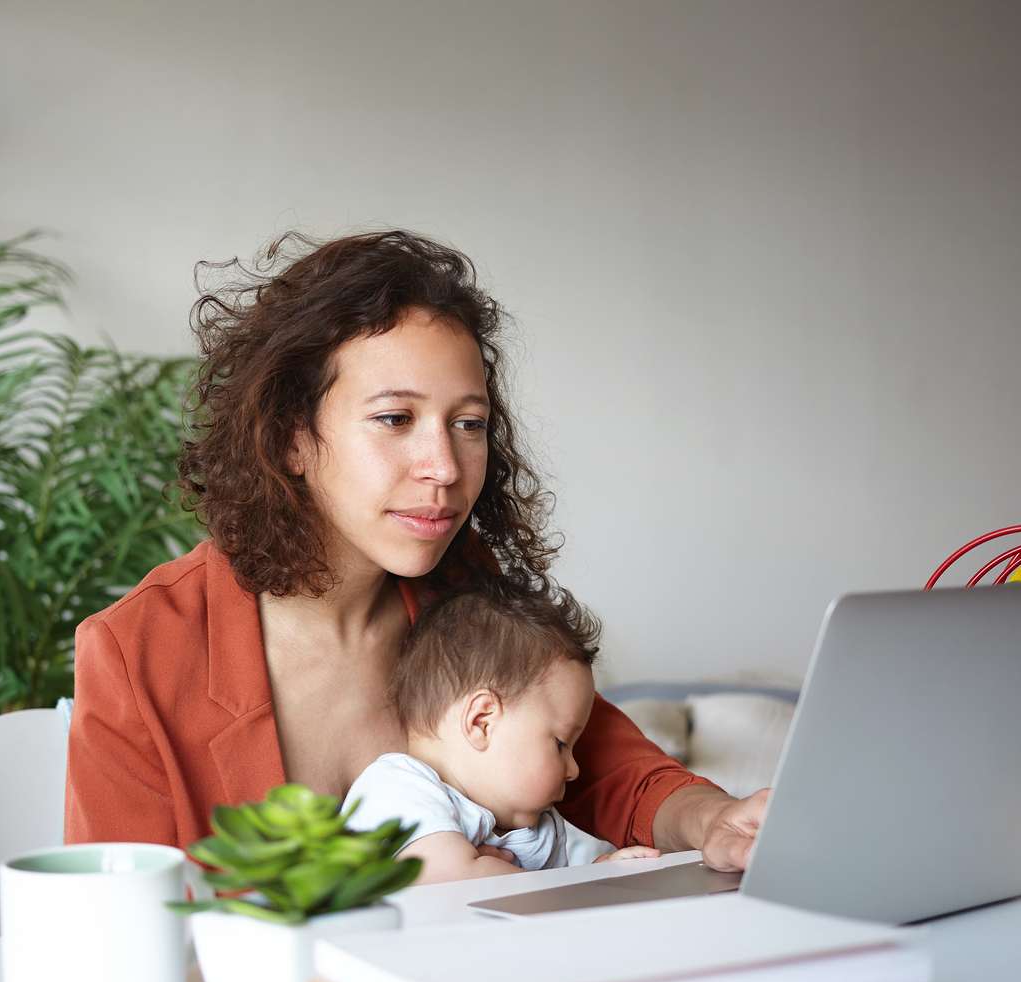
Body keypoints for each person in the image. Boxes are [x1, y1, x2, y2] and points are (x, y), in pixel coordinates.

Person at [65, 230, 769, 871]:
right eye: (395, 418)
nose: (445, 465)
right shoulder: (137, 654)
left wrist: (710, 820)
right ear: (291, 437)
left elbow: (598, 759)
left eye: (468, 423)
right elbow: (109, 930)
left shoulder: (463, 587)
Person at [343, 583, 659, 881]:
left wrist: (592, 879)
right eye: (561, 744)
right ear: (482, 721)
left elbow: (545, 920)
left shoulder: (540, 830)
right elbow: (450, 882)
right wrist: (575, 888)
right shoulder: (398, 787)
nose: (574, 770)